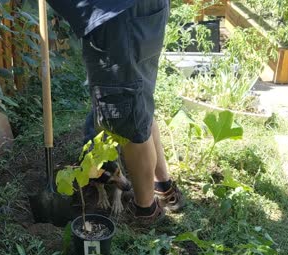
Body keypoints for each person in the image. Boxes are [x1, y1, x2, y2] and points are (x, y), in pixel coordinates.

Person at [46, 0, 184, 224]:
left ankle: (146, 210)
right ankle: (162, 186)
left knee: (126, 118)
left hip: (116, 17)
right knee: (138, 101)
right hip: (138, 11)